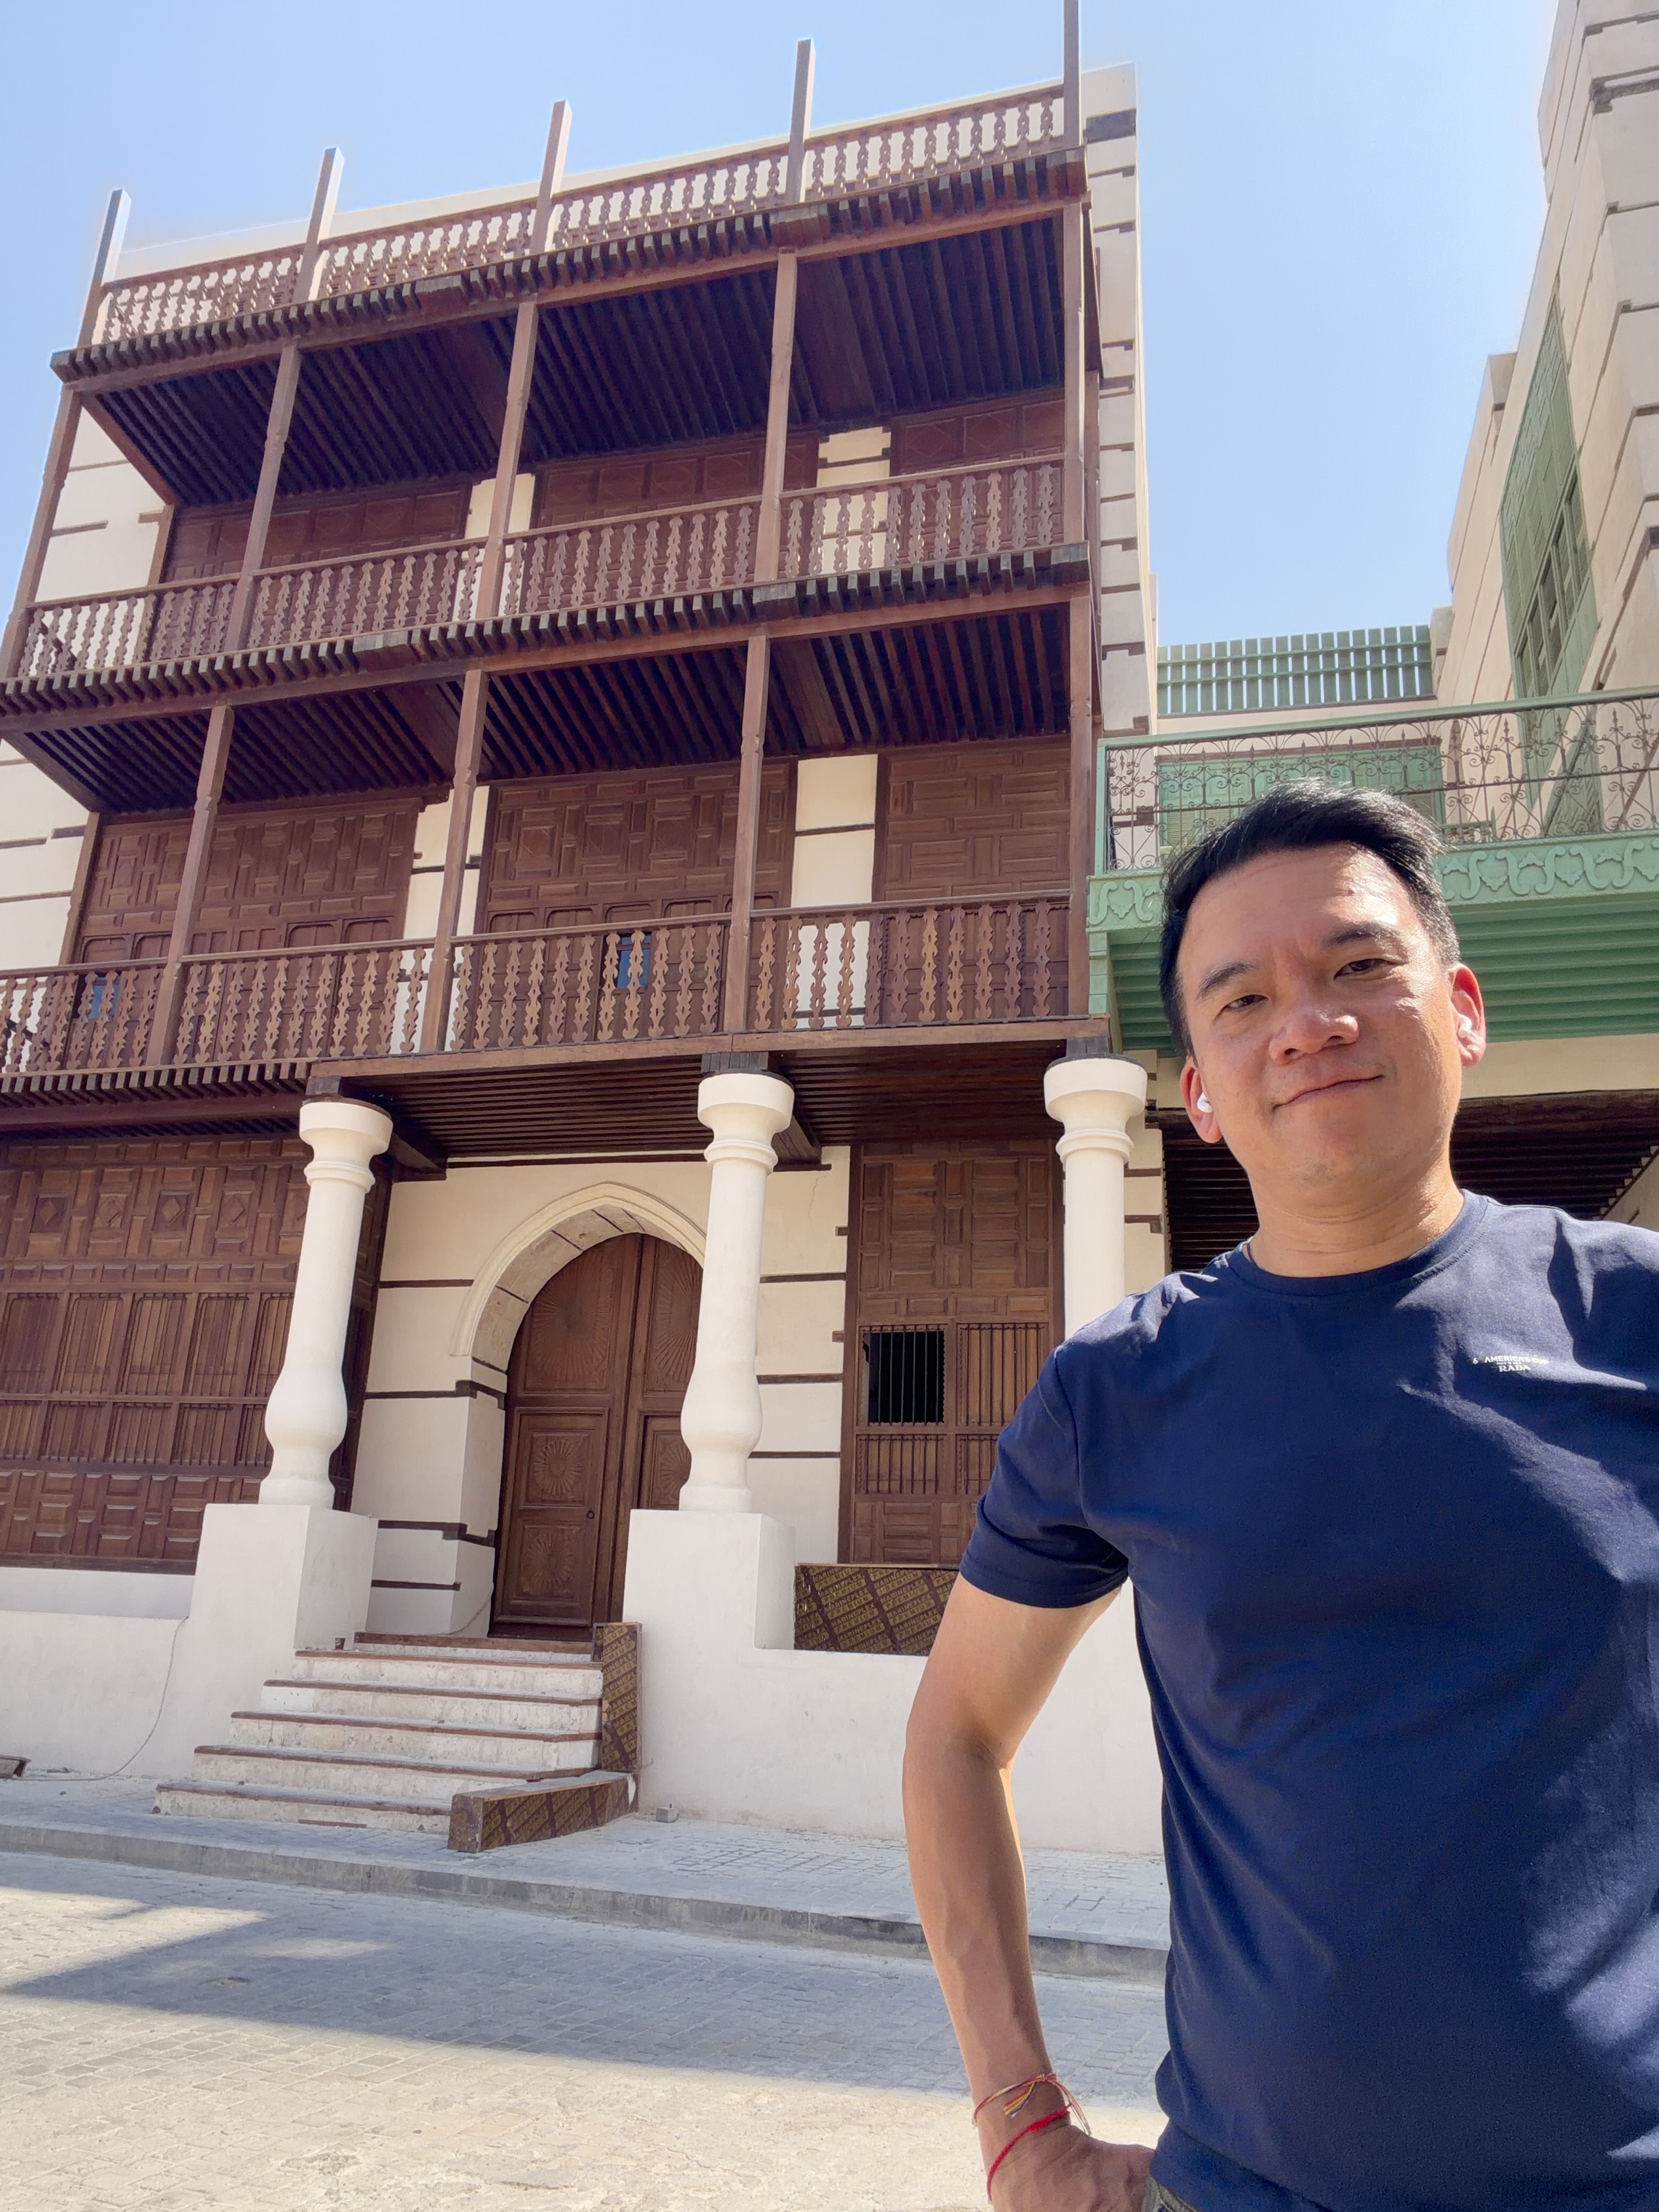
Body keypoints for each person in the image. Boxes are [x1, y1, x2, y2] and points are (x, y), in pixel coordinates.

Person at [903, 781, 1659, 2212]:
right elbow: (955, 1736)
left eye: (1360, 966)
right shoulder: (1115, 1392)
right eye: (1240, 999)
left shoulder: (1631, 1318)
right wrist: (1019, 2121)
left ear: (1463, 1007)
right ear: (1198, 1093)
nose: (1308, 1022)